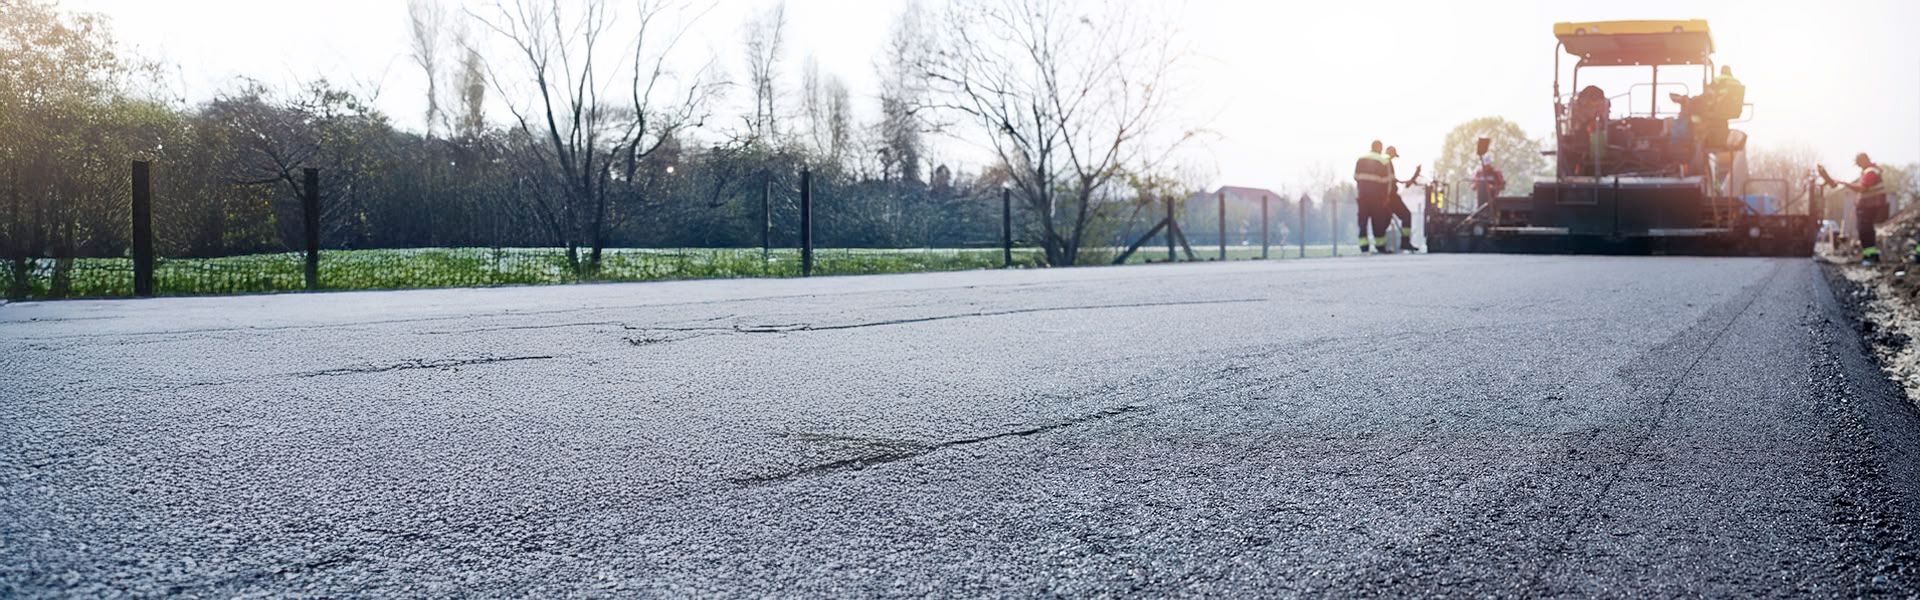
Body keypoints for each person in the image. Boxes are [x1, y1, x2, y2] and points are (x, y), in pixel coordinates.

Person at [1832, 153, 1889, 264]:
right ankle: (1870, 256)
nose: (1859, 166)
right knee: (1865, 230)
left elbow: (1862, 188)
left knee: (1865, 231)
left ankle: (1870, 257)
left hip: (1870, 206)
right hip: (1868, 206)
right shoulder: (1870, 171)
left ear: (1864, 160)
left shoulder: (1871, 172)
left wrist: (1845, 183)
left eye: (1859, 164)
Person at [1353, 141, 1394, 254]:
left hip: (1362, 196)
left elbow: (1356, 177)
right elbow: (1387, 182)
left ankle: (1364, 247)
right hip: (1376, 197)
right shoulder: (1383, 160)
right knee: (1378, 222)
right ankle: (1380, 246)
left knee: (1362, 221)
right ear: (1380, 148)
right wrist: (1386, 197)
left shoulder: (1361, 158)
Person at [1382, 146, 1420, 252]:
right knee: (1406, 216)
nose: (1394, 157)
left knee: (1385, 220)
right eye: (1393, 155)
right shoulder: (1387, 162)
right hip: (1391, 196)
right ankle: (1405, 242)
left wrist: (1405, 182)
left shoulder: (1384, 163)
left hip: (1386, 196)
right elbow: (1389, 181)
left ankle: (1381, 245)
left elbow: (1392, 179)